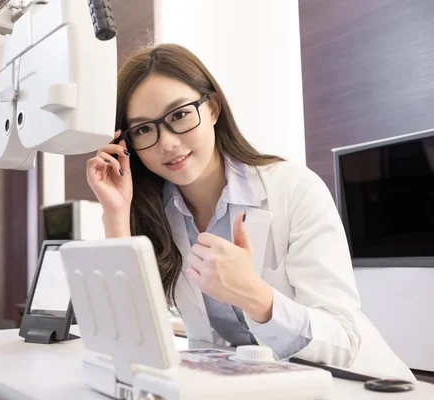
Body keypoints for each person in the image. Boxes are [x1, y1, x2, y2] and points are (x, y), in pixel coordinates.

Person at [86, 43, 413, 380]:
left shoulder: (294, 187)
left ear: (212, 108)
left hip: (359, 385)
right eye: (143, 129)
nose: (167, 142)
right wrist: (116, 214)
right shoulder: (157, 214)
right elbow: (127, 338)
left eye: (180, 115)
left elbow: (343, 340)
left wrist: (255, 297)